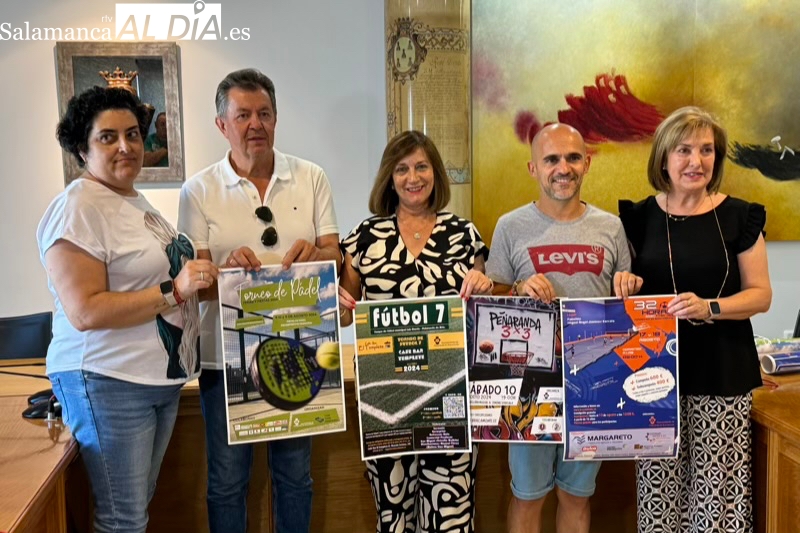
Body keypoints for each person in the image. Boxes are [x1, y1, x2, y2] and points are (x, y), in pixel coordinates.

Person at [37, 86, 218, 533]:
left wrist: (219, 276)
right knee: (123, 518)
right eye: (108, 137)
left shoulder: (131, 201)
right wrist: (175, 292)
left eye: (134, 134)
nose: (126, 146)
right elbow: (86, 311)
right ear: (82, 146)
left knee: (134, 510)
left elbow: (173, 278)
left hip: (156, 380)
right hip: (109, 380)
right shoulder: (77, 207)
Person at [178, 68, 341, 533]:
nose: (256, 124)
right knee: (228, 482)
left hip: (303, 352)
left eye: (264, 114)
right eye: (243, 114)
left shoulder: (311, 177)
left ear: (276, 118)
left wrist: (317, 254)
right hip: (223, 362)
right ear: (221, 124)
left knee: (295, 477)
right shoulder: (199, 190)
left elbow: (334, 254)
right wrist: (224, 270)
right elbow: (196, 282)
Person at [619, 106, 771, 533]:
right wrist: (625, 280)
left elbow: (761, 295)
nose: (696, 161)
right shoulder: (637, 217)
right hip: (650, 378)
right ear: (663, 158)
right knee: (657, 493)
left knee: (717, 497)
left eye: (707, 150)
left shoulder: (741, 216)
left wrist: (711, 308)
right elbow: (622, 289)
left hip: (723, 372)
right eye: (684, 150)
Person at [486, 123, 642, 533]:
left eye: (573, 157)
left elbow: (624, 301)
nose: (563, 167)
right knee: (528, 494)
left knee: (577, 495)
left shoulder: (610, 227)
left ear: (587, 163)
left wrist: (628, 286)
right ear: (533, 168)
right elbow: (490, 300)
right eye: (551, 159)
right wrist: (519, 287)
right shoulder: (510, 226)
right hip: (527, 384)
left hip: (593, 384)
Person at [338, 130, 493, 532]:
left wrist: (484, 285)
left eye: (422, 166)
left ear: (435, 173)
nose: (413, 177)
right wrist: (336, 303)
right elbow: (343, 313)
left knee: (451, 512)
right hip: (384, 399)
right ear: (389, 177)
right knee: (393, 516)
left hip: (450, 398)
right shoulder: (364, 238)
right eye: (402, 168)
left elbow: (481, 307)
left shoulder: (463, 234)